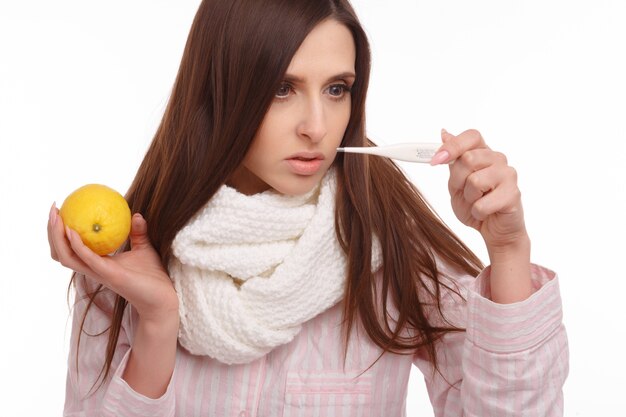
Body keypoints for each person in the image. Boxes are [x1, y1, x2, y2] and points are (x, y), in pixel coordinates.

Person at [47, 0, 569, 415]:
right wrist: (159, 324)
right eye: (282, 89)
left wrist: (507, 249)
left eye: (337, 89)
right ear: (221, 90)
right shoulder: (129, 256)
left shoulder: (386, 235)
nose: (316, 126)